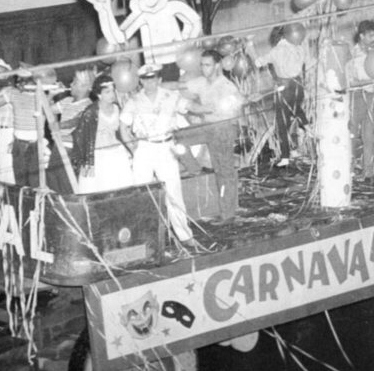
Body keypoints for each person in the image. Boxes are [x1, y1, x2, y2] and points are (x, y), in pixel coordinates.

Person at [120, 65, 195, 244]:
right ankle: (145, 238)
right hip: (144, 148)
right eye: (146, 79)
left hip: (165, 147)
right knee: (142, 193)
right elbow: (123, 127)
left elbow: (190, 106)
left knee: (173, 192)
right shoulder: (134, 100)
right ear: (141, 81)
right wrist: (134, 149)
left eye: (153, 78)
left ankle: (185, 236)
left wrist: (209, 108)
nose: (150, 82)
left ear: (159, 79)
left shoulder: (171, 96)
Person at [183, 50, 245, 219]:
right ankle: (194, 168)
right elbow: (180, 87)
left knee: (224, 173)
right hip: (208, 127)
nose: (204, 68)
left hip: (223, 129)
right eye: (202, 65)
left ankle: (228, 215)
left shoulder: (226, 86)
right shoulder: (201, 82)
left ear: (217, 65)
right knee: (177, 139)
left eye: (207, 65)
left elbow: (237, 106)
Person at [0, 68, 72, 192]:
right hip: (18, 144)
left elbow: (46, 115)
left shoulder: (42, 96)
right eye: (19, 80)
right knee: (19, 181)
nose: (20, 83)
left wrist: (51, 95)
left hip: (35, 144)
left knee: (35, 181)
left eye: (24, 80)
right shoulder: (13, 94)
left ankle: (36, 208)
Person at [71, 74, 134, 194]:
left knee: (122, 189)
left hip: (118, 154)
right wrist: (86, 161)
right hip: (99, 157)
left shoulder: (118, 109)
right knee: (101, 190)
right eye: (107, 92)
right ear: (99, 94)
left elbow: (124, 131)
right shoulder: (90, 112)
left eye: (113, 91)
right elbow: (81, 136)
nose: (111, 95)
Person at [257, 25, 309, 168]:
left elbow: (259, 61)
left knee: (282, 123)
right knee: (296, 111)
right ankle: (307, 128)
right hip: (298, 84)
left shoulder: (277, 51)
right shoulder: (298, 48)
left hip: (284, 88)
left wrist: (249, 49)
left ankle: (286, 156)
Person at [346, 20, 374, 179]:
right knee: (352, 136)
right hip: (357, 96)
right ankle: (349, 170)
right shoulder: (353, 55)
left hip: (371, 96)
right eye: (370, 35)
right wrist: (371, 82)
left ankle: (368, 171)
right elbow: (351, 82)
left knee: (370, 136)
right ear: (361, 36)